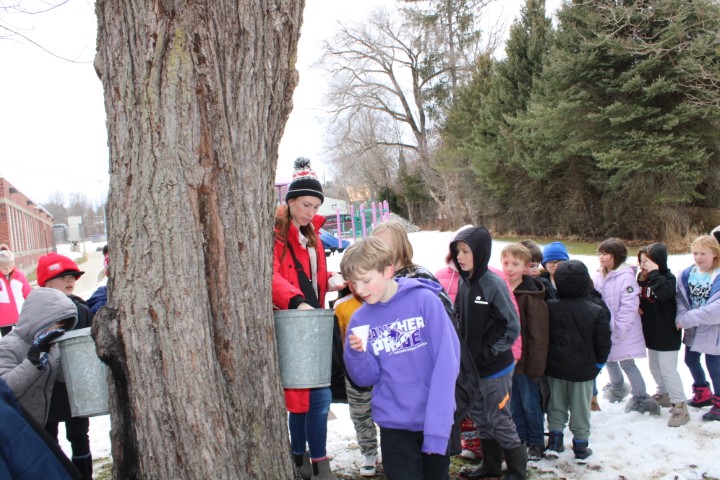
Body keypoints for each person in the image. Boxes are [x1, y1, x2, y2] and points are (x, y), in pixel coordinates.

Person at [341, 237, 460, 480]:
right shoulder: (360, 320)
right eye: (354, 282)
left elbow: (447, 365)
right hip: (393, 424)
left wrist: (438, 428)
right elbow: (365, 378)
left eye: (366, 280)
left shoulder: (425, 302)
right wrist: (356, 353)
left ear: (387, 270)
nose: (360, 289)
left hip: (431, 419)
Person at [272, 157, 341, 480]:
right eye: (304, 204)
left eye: (314, 206)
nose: (309, 212)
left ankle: (317, 461)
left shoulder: (311, 235)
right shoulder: (276, 235)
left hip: (312, 322)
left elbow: (314, 281)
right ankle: (300, 458)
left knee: (320, 395)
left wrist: (334, 283)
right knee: (300, 398)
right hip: (292, 322)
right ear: (290, 201)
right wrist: (296, 301)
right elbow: (270, 276)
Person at [451, 226, 526, 480]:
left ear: (480, 252)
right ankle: (491, 466)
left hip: (496, 368)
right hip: (473, 368)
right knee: (482, 419)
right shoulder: (464, 281)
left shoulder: (493, 283)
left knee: (500, 419)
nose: (459, 257)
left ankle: (517, 471)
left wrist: (490, 351)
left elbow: (512, 325)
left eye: (465, 251)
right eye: (457, 251)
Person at [544, 260, 611, 463]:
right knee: (581, 407)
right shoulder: (595, 310)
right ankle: (581, 446)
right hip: (583, 371)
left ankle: (555, 441)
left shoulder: (549, 306)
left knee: (556, 405)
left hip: (555, 368)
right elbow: (603, 341)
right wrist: (599, 363)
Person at [36, 253, 94, 479]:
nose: (70, 281)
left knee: (79, 436)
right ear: (46, 283)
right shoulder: (36, 312)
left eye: (72, 276)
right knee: (49, 438)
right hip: (46, 386)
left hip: (75, 385)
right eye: (62, 277)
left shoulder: (82, 310)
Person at [593, 238, 659, 415]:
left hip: (623, 330)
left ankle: (641, 396)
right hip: (606, 326)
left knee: (627, 362)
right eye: (600, 253)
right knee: (608, 359)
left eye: (605, 254)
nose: (601, 257)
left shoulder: (626, 278)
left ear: (616, 256)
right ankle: (617, 386)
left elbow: (629, 307)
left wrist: (620, 329)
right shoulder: (599, 275)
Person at [500, 244, 549, 462]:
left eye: (515, 264)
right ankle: (520, 440)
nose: (509, 269)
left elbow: (538, 335)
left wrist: (536, 366)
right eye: (506, 263)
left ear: (526, 267)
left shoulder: (530, 296)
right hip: (505, 362)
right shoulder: (499, 289)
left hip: (526, 363)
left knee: (530, 404)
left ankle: (537, 442)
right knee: (513, 406)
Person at [0, 288, 77, 423]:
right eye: (57, 324)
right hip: (12, 426)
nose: (59, 331)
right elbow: (5, 389)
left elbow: (63, 375)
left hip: (37, 423)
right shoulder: (10, 345)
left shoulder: (50, 347)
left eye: (64, 327)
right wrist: (33, 363)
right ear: (39, 320)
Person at [637, 243, 688, 427]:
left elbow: (664, 294)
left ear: (658, 262)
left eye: (648, 262)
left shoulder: (667, 278)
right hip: (652, 332)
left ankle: (680, 404)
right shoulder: (642, 279)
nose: (644, 266)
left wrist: (655, 273)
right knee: (654, 367)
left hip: (667, 333)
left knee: (668, 369)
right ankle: (664, 393)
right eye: (641, 262)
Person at [333, 284, 379, 477]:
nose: (357, 285)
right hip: (355, 370)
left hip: (384, 369)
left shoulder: (381, 300)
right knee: (360, 414)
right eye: (351, 279)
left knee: (389, 412)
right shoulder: (341, 305)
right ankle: (369, 454)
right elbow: (341, 339)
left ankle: (394, 451)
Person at [675, 235, 720, 421]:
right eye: (695, 253)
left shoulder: (717, 276)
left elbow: (716, 310)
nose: (698, 257)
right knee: (691, 360)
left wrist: (687, 319)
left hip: (713, 331)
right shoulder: (687, 274)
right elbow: (680, 298)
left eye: (703, 253)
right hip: (693, 329)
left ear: (715, 255)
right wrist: (681, 316)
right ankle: (702, 393)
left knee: (715, 366)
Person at [0, 377, 81, 480]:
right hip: (36, 414)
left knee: (78, 437)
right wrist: (34, 365)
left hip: (34, 446)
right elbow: (12, 385)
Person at [0, 244, 31, 337]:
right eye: (4, 268)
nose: (7, 270)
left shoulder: (19, 277)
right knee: (7, 343)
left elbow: (27, 294)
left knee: (23, 339)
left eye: (10, 267)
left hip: (20, 317)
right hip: (4, 318)